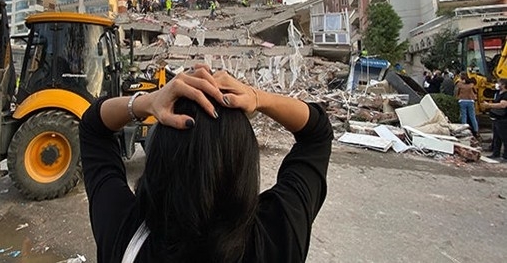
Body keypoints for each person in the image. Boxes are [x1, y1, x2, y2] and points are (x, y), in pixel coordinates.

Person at [80, 66, 333, 262]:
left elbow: (93, 126)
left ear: (158, 159)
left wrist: (147, 102)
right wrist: (257, 98)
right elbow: (317, 133)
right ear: (244, 162)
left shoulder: (123, 234)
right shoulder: (279, 233)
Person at [482, 78, 507, 162]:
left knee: (504, 137)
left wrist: (489, 105)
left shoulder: (505, 95)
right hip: (496, 118)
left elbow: (503, 105)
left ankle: (505, 156)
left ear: (503, 85)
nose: (497, 84)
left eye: (499, 83)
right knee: (496, 137)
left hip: (503, 119)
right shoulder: (498, 93)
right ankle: (496, 153)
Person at [454, 73, 479, 138]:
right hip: (470, 101)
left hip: (462, 100)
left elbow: (456, 92)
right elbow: (475, 91)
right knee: (472, 116)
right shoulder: (471, 85)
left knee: (464, 116)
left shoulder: (459, 84)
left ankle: (464, 130)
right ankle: (476, 131)